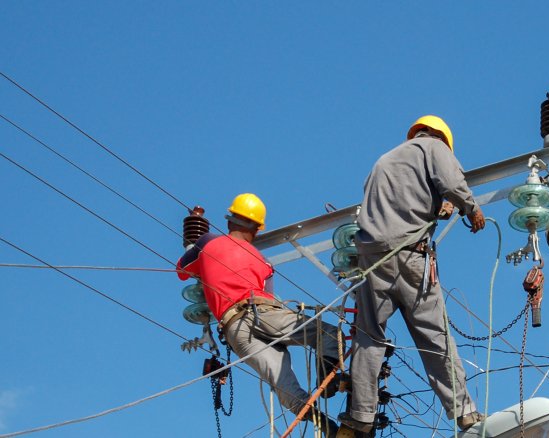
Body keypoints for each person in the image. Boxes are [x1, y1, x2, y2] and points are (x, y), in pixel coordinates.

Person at [338, 116, 487, 433]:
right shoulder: (433, 146)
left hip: (372, 260)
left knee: (368, 338)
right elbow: (451, 181)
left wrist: (435, 208)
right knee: (434, 337)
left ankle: (360, 417)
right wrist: (470, 208)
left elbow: (395, 206)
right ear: (440, 137)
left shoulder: (385, 160)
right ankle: (464, 411)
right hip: (409, 256)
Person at [177, 193, 341, 435]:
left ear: (230, 221)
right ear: (256, 230)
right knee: (328, 335)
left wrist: (199, 252)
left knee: (280, 379)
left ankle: (323, 423)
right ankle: (327, 383)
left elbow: (182, 270)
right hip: (262, 312)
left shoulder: (208, 243)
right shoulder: (263, 262)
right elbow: (269, 300)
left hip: (234, 329)